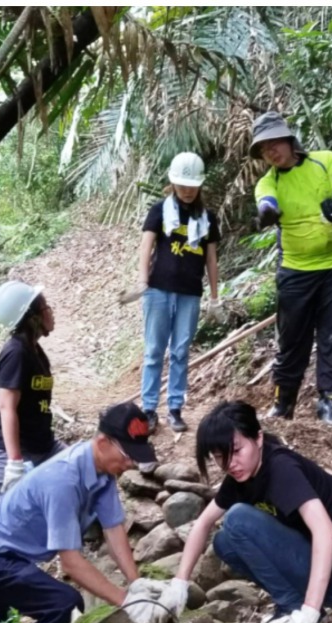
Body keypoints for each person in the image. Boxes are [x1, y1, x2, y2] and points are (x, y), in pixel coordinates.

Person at [152, 401, 332, 623]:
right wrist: (179, 583)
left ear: (258, 438)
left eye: (236, 451)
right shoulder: (242, 474)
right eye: (220, 457)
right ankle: (293, 604)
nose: (229, 464)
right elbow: (204, 523)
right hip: (323, 568)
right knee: (224, 543)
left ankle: (302, 610)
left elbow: (327, 534)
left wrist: (308, 614)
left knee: (237, 519)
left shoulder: (281, 469)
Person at [0, 403, 165, 623]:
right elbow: (71, 564)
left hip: (3, 554)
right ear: (104, 443)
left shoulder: (102, 472)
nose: (131, 464)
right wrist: (126, 602)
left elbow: (114, 529)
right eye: (128, 455)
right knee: (64, 604)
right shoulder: (63, 481)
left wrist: (135, 583)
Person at [252, 111, 332, 426]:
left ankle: (329, 402)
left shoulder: (325, 161)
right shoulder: (267, 182)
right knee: (291, 339)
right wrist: (267, 213)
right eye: (264, 147)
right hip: (296, 269)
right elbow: (266, 202)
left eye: (275, 142)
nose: (271, 150)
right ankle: (283, 402)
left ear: (289, 139)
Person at [137, 152, 221, 434]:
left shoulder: (208, 218)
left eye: (191, 185)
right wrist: (142, 281)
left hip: (190, 293)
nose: (186, 190)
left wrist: (214, 296)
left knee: (181, 351)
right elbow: (146, 247)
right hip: (158, 290)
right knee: (153, 352)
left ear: (199, 185)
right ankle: (148, 409)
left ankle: (175, 408)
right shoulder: (159, 210)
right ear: (172, 183)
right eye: (181, 185)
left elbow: (211, 259)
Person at [0, 281, 67, 497]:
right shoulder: (16, 353)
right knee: (14, 524)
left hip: (43, 447)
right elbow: (6, 407)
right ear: (34, 318)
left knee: (86, 476)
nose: (51, 312)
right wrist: (14, 463)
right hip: (13, 453)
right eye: (46, 307)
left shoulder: (35, 351)